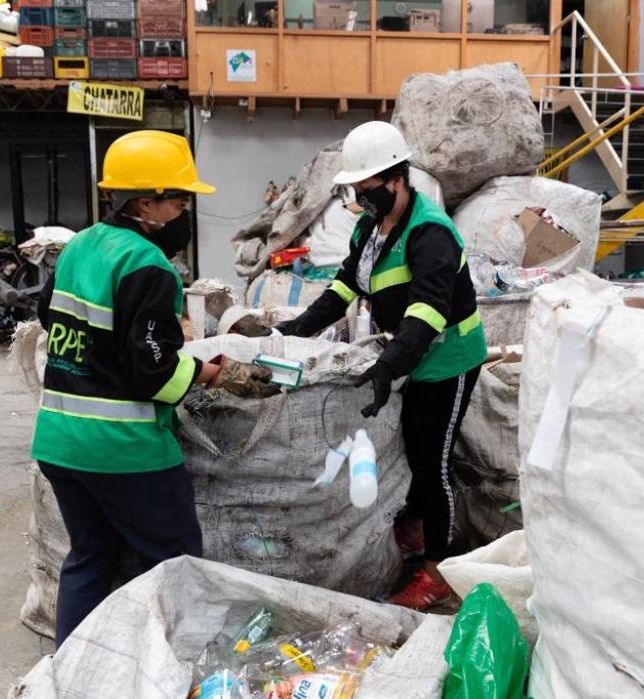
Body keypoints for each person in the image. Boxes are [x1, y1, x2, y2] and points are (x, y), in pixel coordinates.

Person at [30, 130, 274, 646]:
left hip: (58, 439)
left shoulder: (79, 245)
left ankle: (73, 672)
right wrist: (218, 375)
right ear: (146, 203)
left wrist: (105, 360)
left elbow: (52, 317)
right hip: (123, 449)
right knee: (176, 561)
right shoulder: (147, 265)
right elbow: (155, 374)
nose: (185, 211)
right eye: (179, 199)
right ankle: (175, 665)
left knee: (90, 557)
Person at [276, 121, 487, 611]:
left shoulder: (431, 233)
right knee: (412, 444)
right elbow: (346, 287)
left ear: (397, 178)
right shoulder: (370, 228)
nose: (359, 199)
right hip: (413, 354)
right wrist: (296, 330)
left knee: (433, 462)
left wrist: (389, 366)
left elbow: (428, 313)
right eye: (355, 190)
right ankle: (413, 530)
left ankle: (440, 569)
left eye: (367, 190)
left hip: (449, 358)